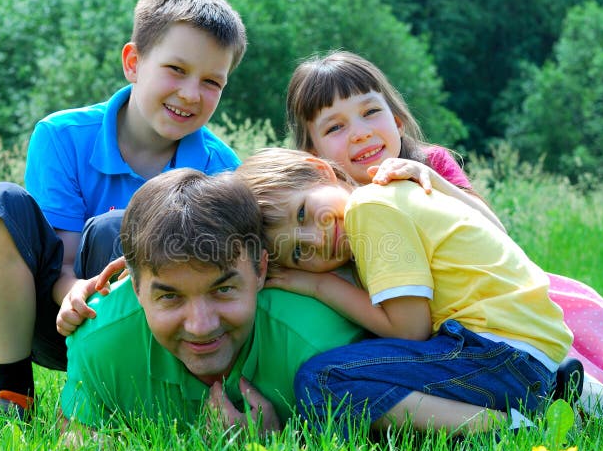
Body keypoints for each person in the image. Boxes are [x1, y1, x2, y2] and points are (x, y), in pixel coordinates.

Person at [282, 50, 603, 415]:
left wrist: (434, 181)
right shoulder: (333, 218)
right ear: (313, 156)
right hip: (492, 329)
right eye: (335, 127)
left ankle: (529, 415)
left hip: (486, 328)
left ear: (397, 121)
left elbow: (498, 234)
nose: (360, 133)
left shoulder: (404, 183)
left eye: (370, 112)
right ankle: (563, 393)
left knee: (328, 378)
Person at [0, 0, 247, 421]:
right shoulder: (61, 136)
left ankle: (133, 396)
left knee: (123, 227)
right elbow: (65, 260)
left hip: (156, 327)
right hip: (58, 313)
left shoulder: (222, 167)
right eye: (176, 69)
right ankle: (14, 397)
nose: (191, 94)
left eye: (212, 81)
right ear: (133, 62)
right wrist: (76, 291)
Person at [236, 147, 574, 435]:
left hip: (499, 354)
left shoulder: (367, 209)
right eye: (297, 252)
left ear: (320, 171)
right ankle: (553, 393)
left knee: (323, 380)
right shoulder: (388, 200)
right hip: (523, 351)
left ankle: (503, 429)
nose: (316, 239)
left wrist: (320, 285)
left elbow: (411, 331)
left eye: (303, 213)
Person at [58, 168, 368, 436]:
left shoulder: (321, 346)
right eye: (169, 296)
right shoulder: (99, 340)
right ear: (136, 288)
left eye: (223, 290)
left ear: (261, 270)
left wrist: (285, 446)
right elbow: (78, 444)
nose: (201, 325)